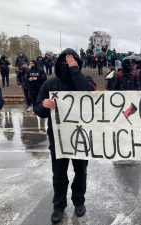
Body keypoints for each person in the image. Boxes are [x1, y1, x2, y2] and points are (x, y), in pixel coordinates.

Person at [35, 48, 96, 224]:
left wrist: (74, 70)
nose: (67, 65)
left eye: (71, 61)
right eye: (64, 62)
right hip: (58, 140)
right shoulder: (50, 84)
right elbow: (38, 109)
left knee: (80, 172)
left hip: (81, 138)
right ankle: (59, 206)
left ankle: (79, 201)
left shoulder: (86, 80)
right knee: (59, 174)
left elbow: (87, 92)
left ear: (77, 63)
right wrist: (44, 106)